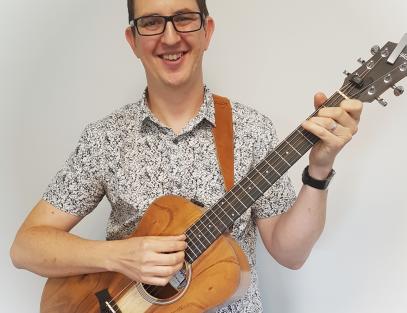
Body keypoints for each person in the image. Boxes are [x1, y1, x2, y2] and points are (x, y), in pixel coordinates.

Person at [10, 0, 363, 312]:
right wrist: (121, 256)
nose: (169, 37)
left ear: (207, 31)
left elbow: (291, 254)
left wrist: (319, 168)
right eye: (151, 22)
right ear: (132, 41)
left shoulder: (252, 129)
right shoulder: (104, 138)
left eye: (183, 18)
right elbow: (26, 247)